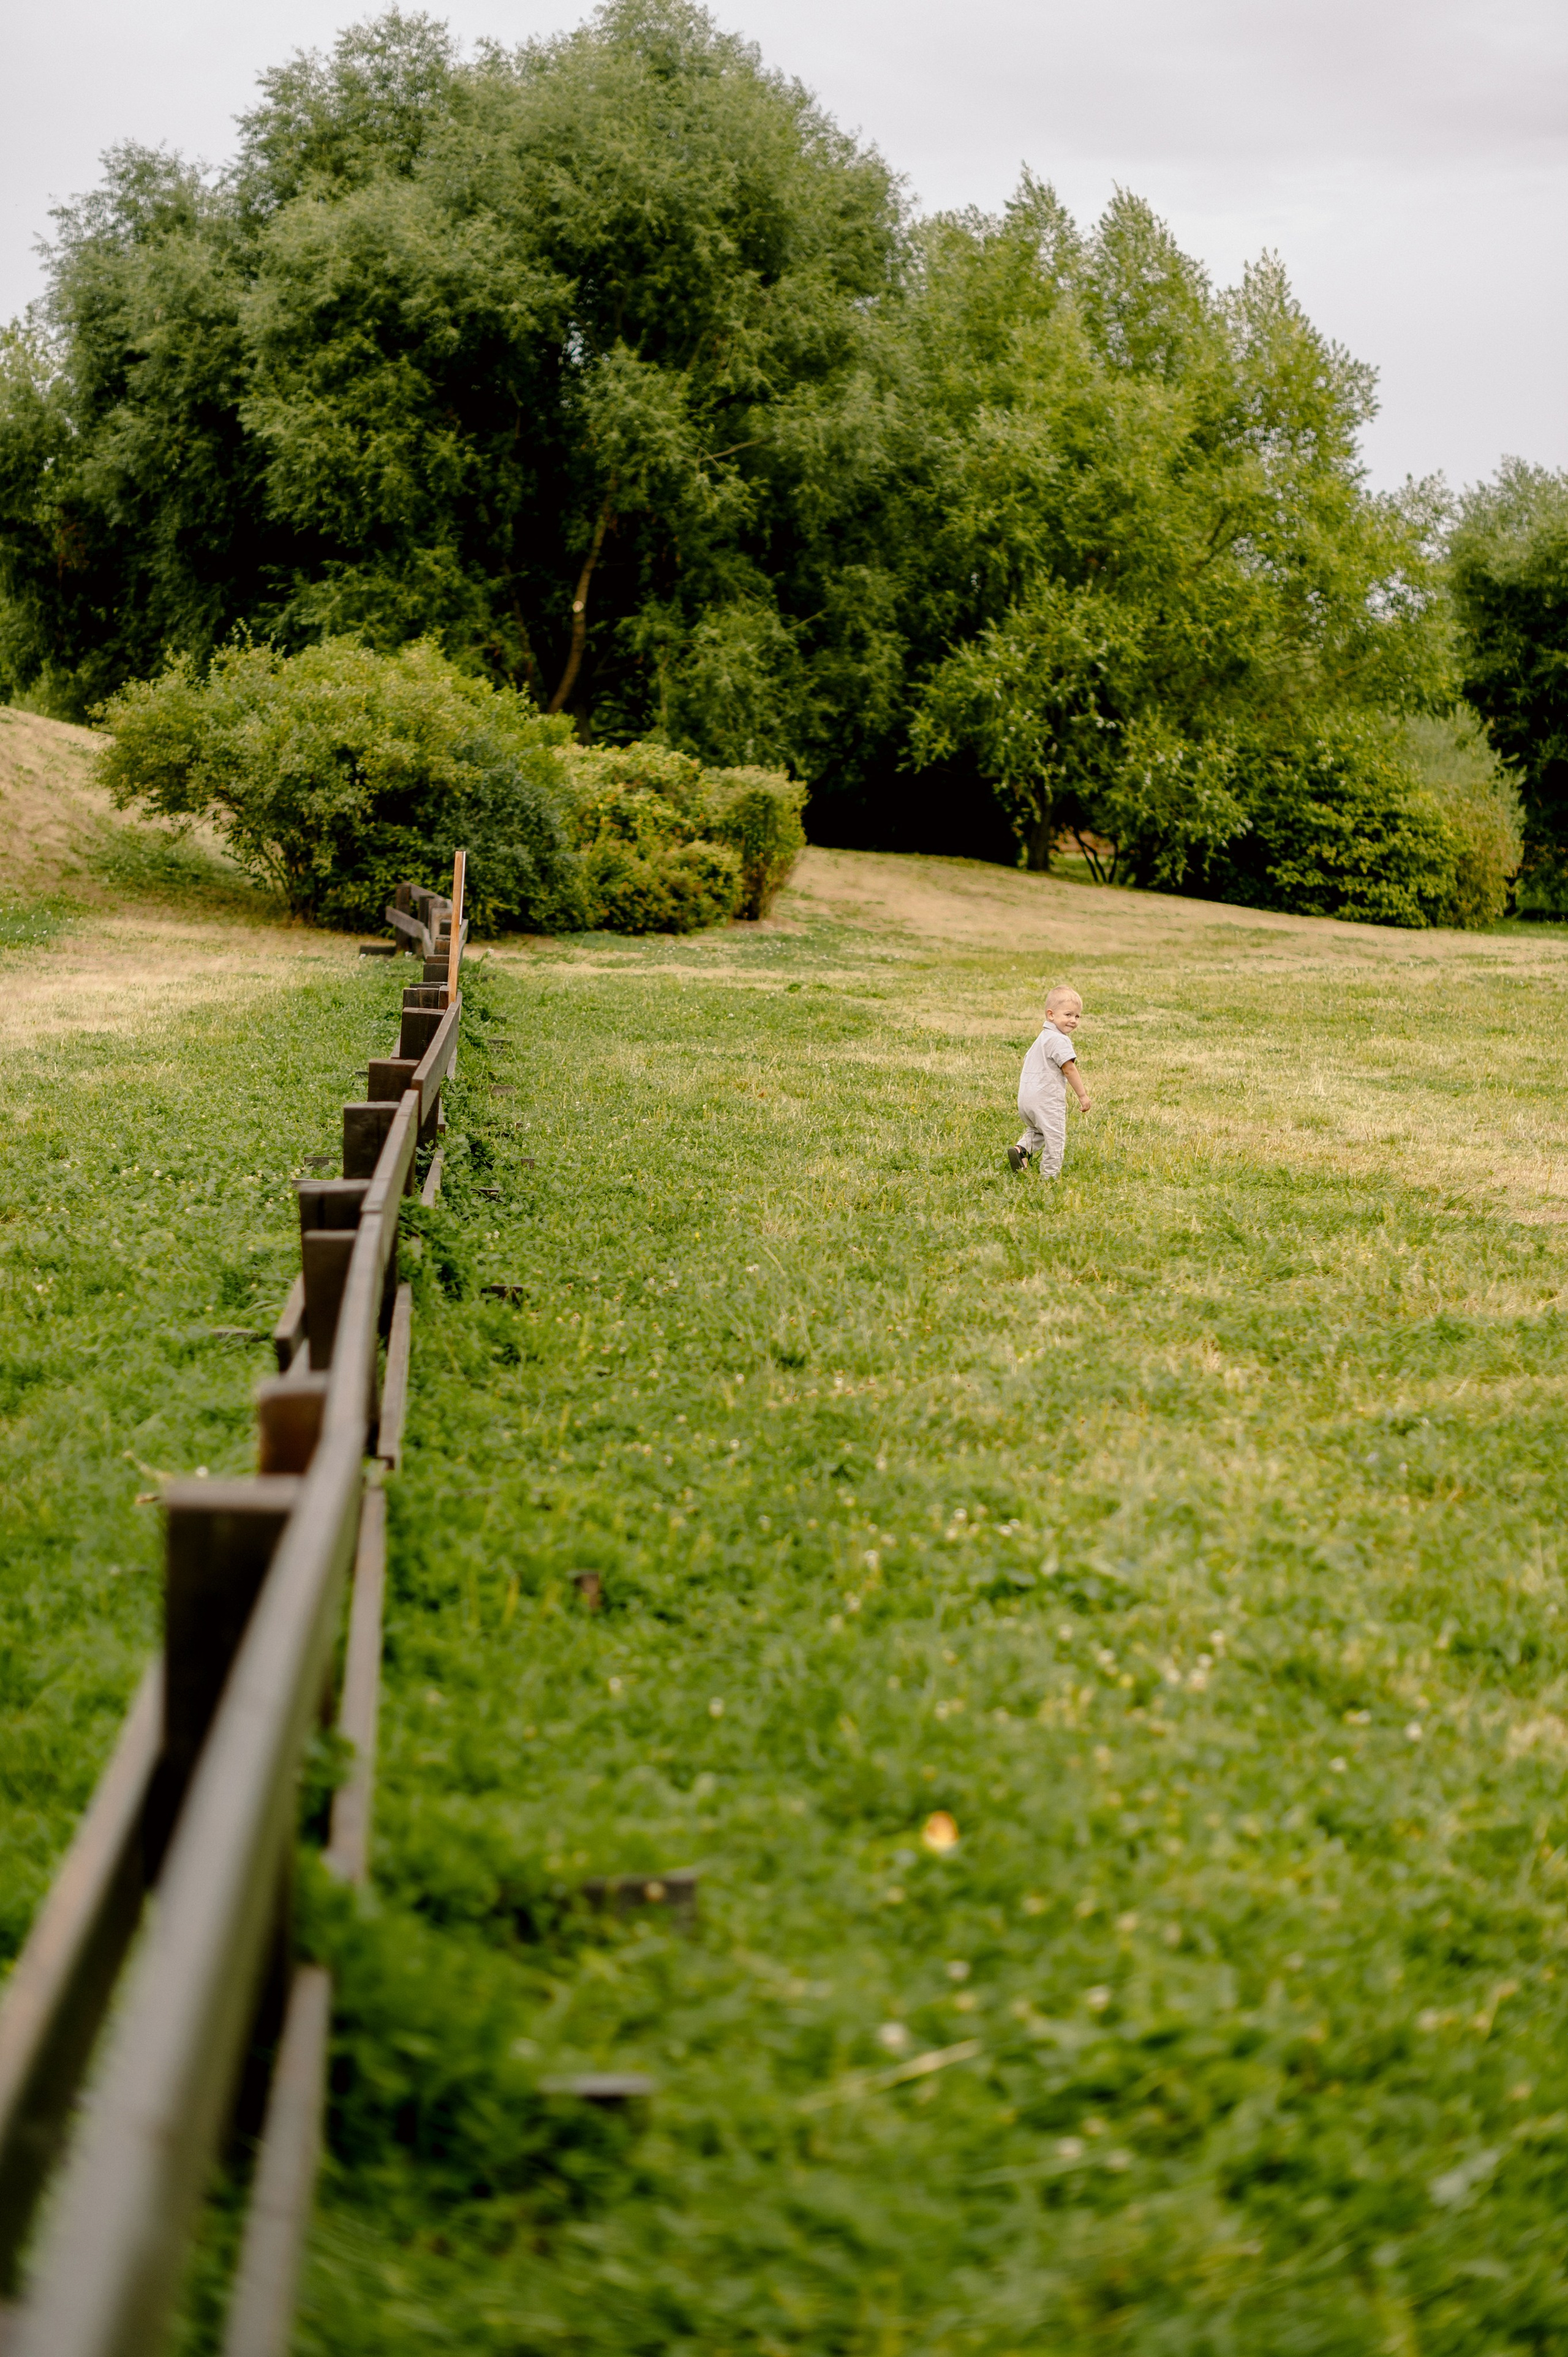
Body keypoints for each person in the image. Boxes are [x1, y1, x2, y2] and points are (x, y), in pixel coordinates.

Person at [1009, 986, 1091, 1177]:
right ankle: (1050, 1176)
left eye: (1077, 1016)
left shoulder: (1042, 1038)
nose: (1073, 1020)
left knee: (1038, 1129)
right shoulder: (1059, 1040)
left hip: (1026, 1100)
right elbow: (1069, 1069)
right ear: (1051, 1015)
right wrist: (1083, 1095)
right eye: (1068, 1014)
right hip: (1046, 1100)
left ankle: (1021, 1150)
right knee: (1055, 1136)